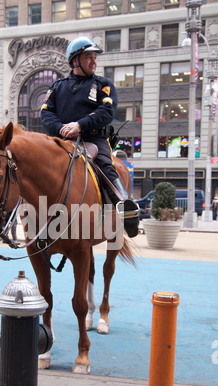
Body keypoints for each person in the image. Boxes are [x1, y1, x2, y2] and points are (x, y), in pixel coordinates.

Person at [40, 36, 139, 237]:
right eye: (89, 57)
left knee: (105, 165)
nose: (94, 61)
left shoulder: (103, 84)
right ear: (75, 61)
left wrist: (80, 125)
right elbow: (45, 113)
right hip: (62, 140)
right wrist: (61, 128)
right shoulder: (57, 87)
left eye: (95, 57)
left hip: (94, 140)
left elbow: (106, 112)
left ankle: (126, 207)